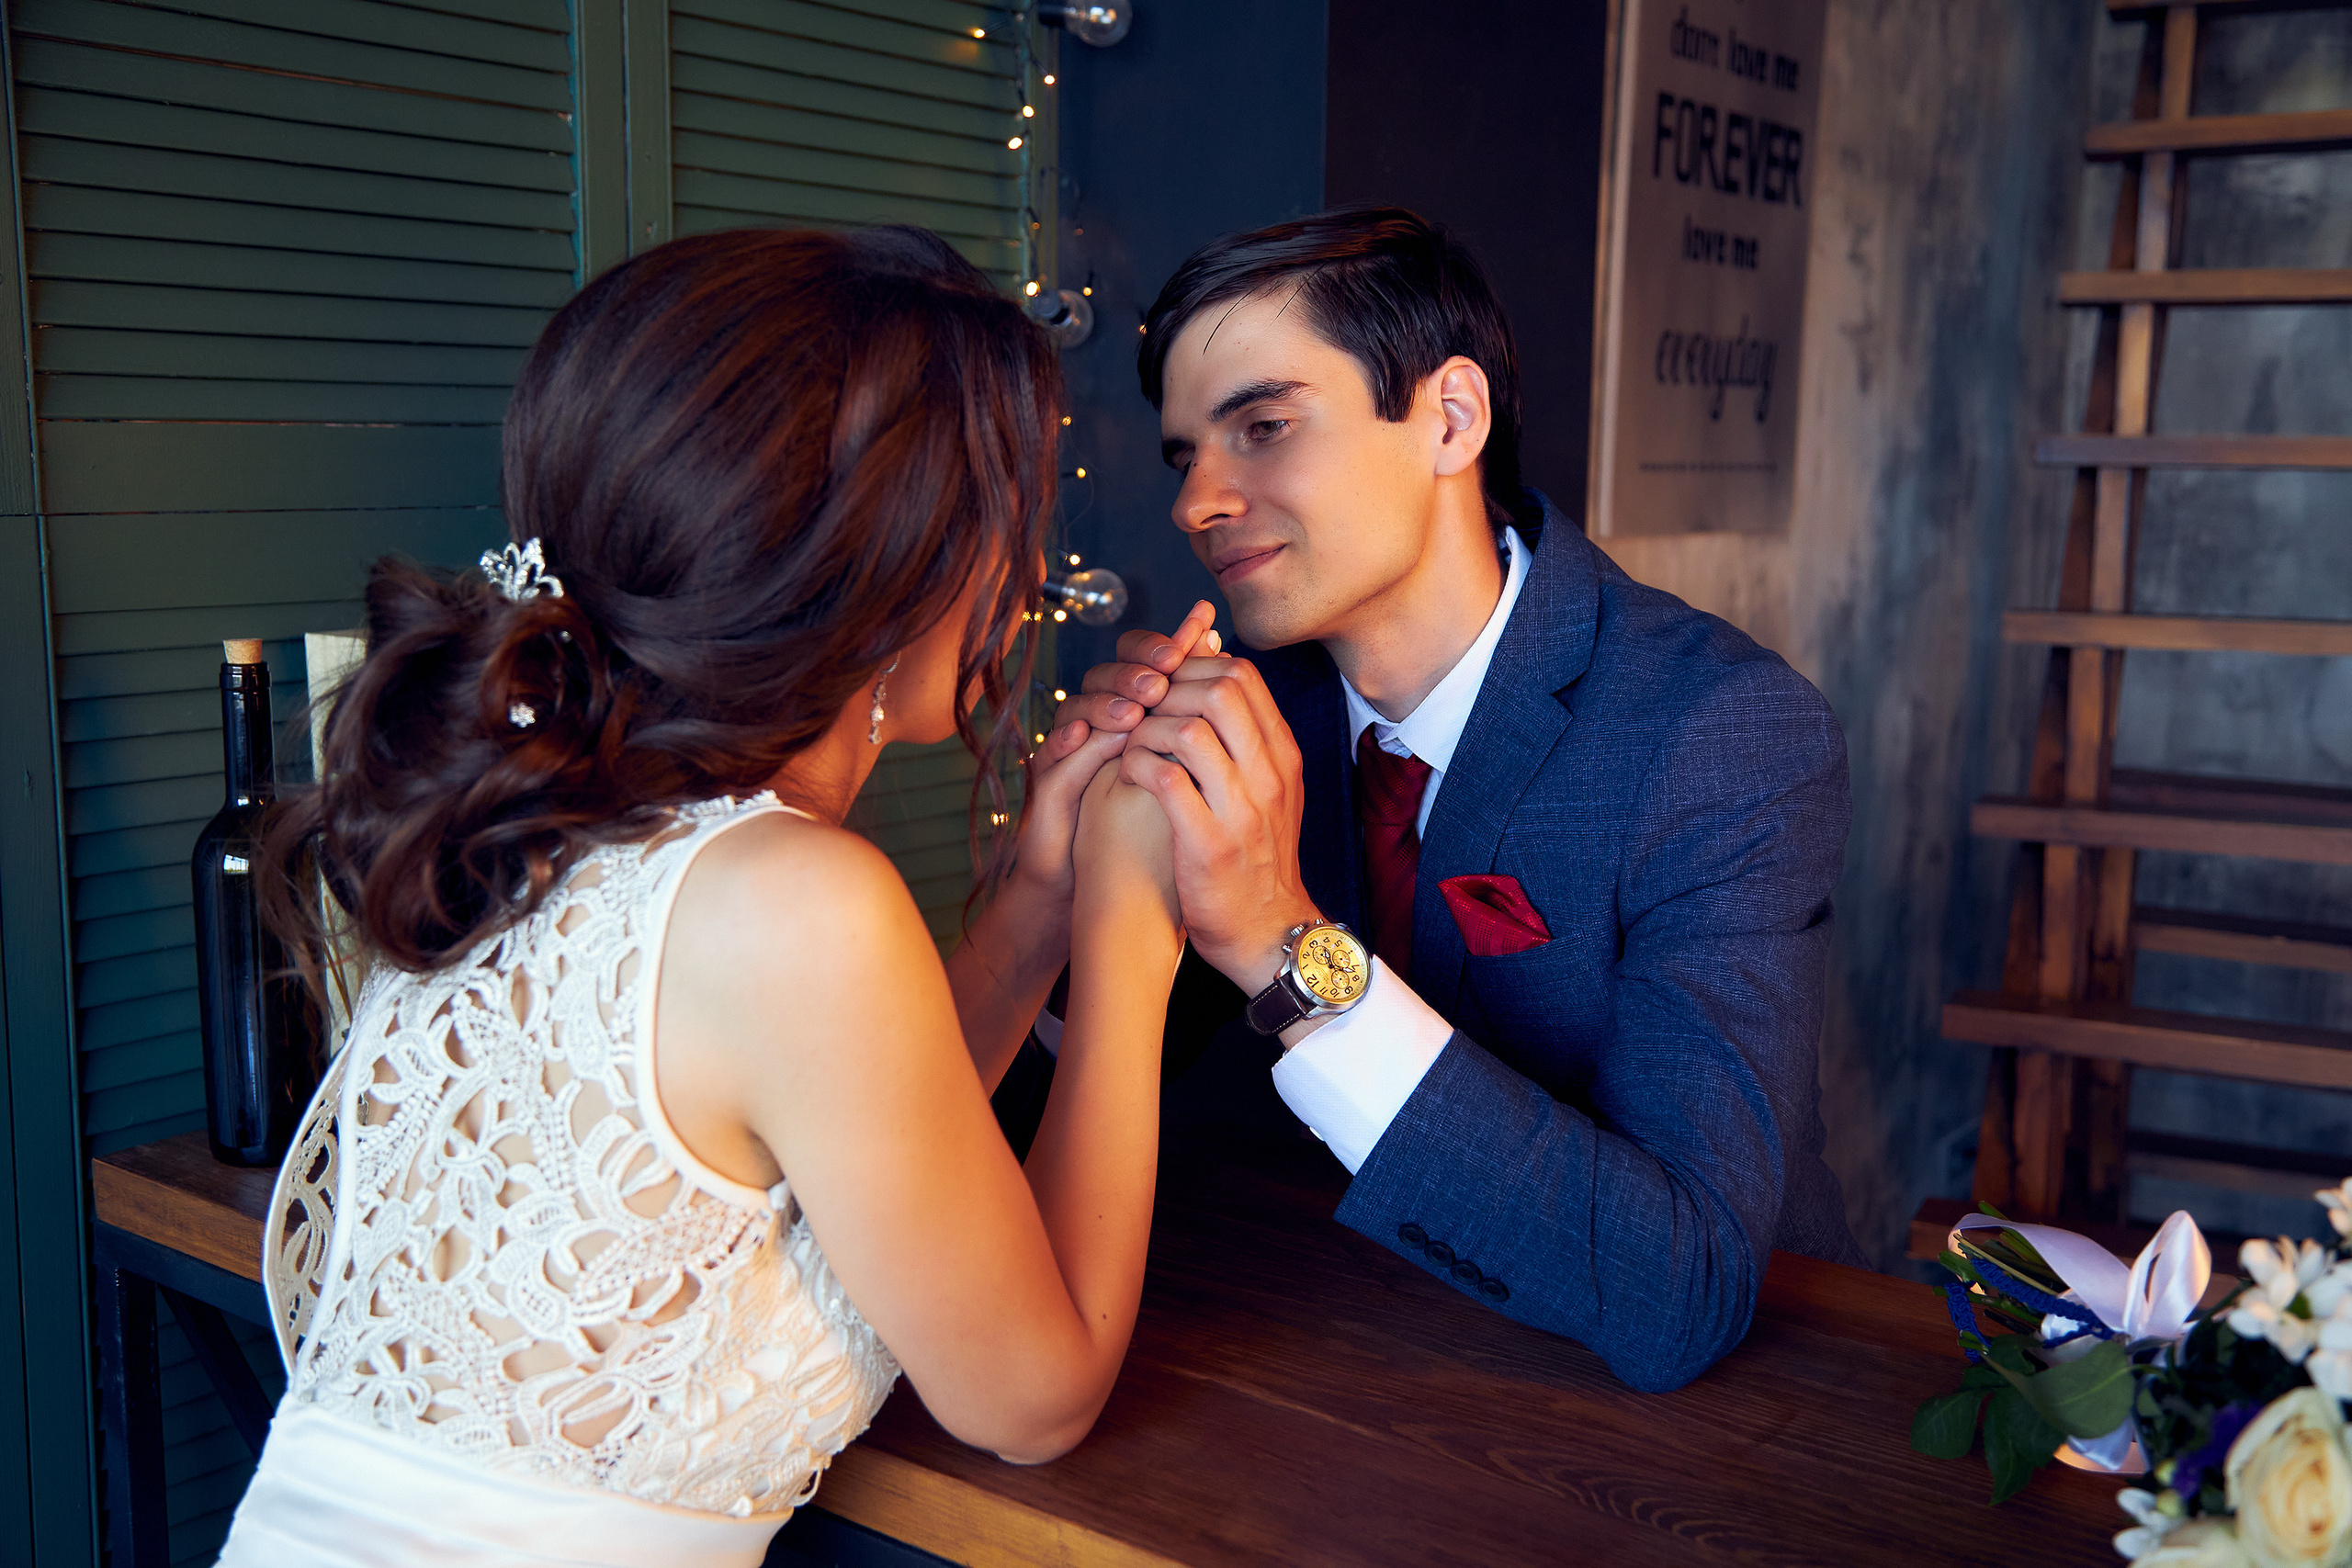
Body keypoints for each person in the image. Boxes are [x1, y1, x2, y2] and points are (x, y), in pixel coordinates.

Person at [221, 227, 1181, 1568]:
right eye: (1004, 520)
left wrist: (1036, 900)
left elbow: (855, 1143)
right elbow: (1034, 1397)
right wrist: (1133, 937)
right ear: (890, 573)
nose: (1023, 583)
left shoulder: (533, 831)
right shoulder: (794, 900)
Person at [1027, 206, 1861, 1394]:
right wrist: (1057, 904)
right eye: (1184, 457)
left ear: (1449, 418)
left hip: (1716, 1412)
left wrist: (1283, 944)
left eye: (1261, 427)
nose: (1196, 502)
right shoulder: (1244, 710)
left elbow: (1683, 1285)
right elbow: (1080, 1100)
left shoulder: (1721, 734)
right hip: (1332, 1355)